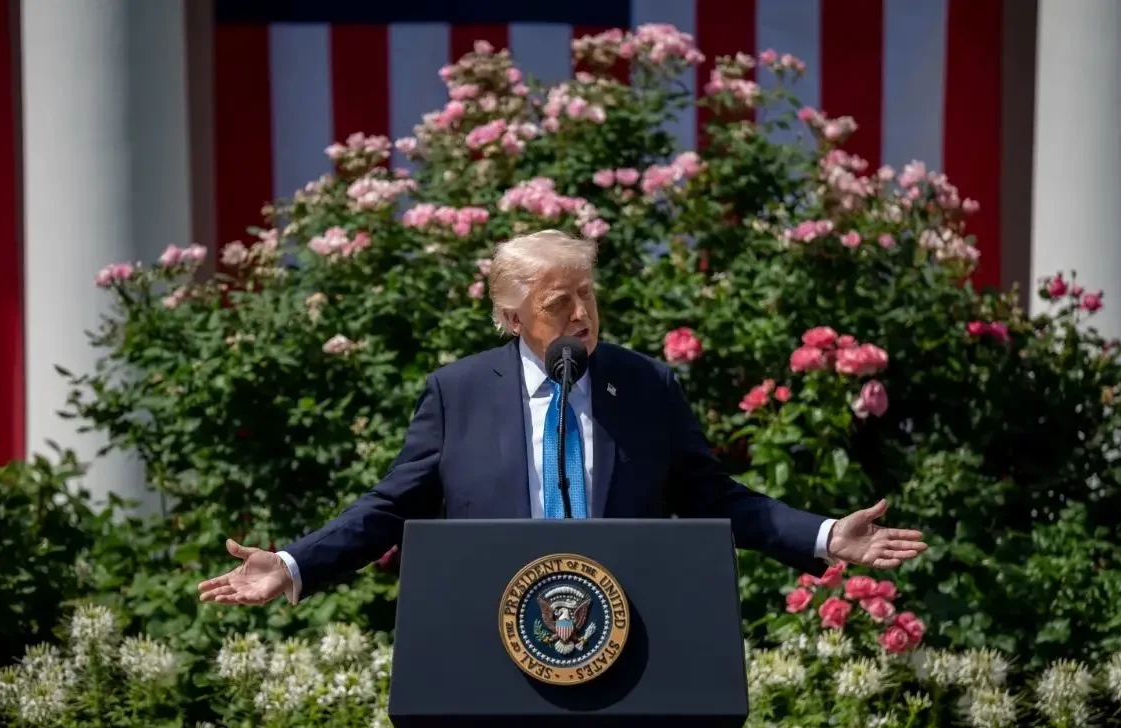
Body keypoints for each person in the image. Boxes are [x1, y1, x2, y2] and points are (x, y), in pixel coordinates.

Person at [198, 230, 927, 607]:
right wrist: (292, 564)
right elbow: (390, 507)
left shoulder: (644, 386)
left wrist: (826, 536)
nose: (582, 315)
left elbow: (715, 497)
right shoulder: (458, 393)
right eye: (558, 303)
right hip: (492, 640)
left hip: (630, 637)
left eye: (588, 296)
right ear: (513, 316)